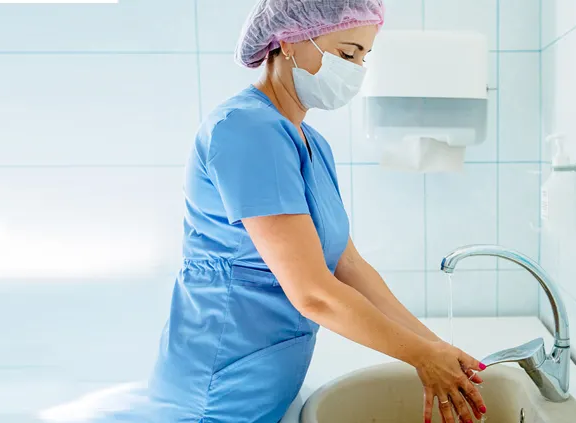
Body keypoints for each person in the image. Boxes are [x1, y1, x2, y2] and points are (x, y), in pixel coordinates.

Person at [124, 1, 487, 423]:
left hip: (266, 384)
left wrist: (436, 349)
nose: (356, 70)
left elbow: (349, 266)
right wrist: (422, 357)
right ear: (292, 39)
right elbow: (312, 292)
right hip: (216, 393)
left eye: (364, 58)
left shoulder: (310, 143)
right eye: (348, 54)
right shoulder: (246, 129)